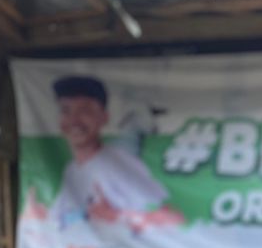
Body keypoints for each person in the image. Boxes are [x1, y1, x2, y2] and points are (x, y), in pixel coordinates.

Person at [21, 75, 184, 234]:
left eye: (84, 110)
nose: (74, 120)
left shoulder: (118, 165)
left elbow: (174, 218)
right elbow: (64, 223)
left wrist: (117, 216)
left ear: (104, 117)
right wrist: (41, 217)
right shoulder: (71, 170)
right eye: (66, 110)